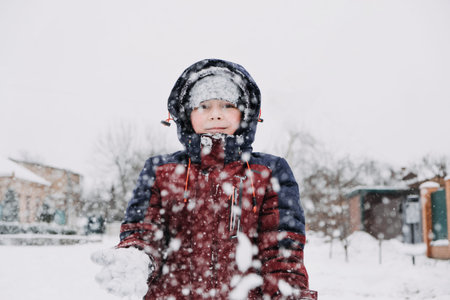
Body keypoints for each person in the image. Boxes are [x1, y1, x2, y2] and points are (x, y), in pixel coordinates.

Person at [92, 59, 317, 299]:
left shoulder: (270, 172)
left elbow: (281, 252)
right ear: (186, 114)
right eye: (204, 106)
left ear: (246, 112)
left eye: (228, 105)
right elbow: (143, 232)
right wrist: (136, 258)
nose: (216, 115)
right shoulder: (160, 171)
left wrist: (288, 292)